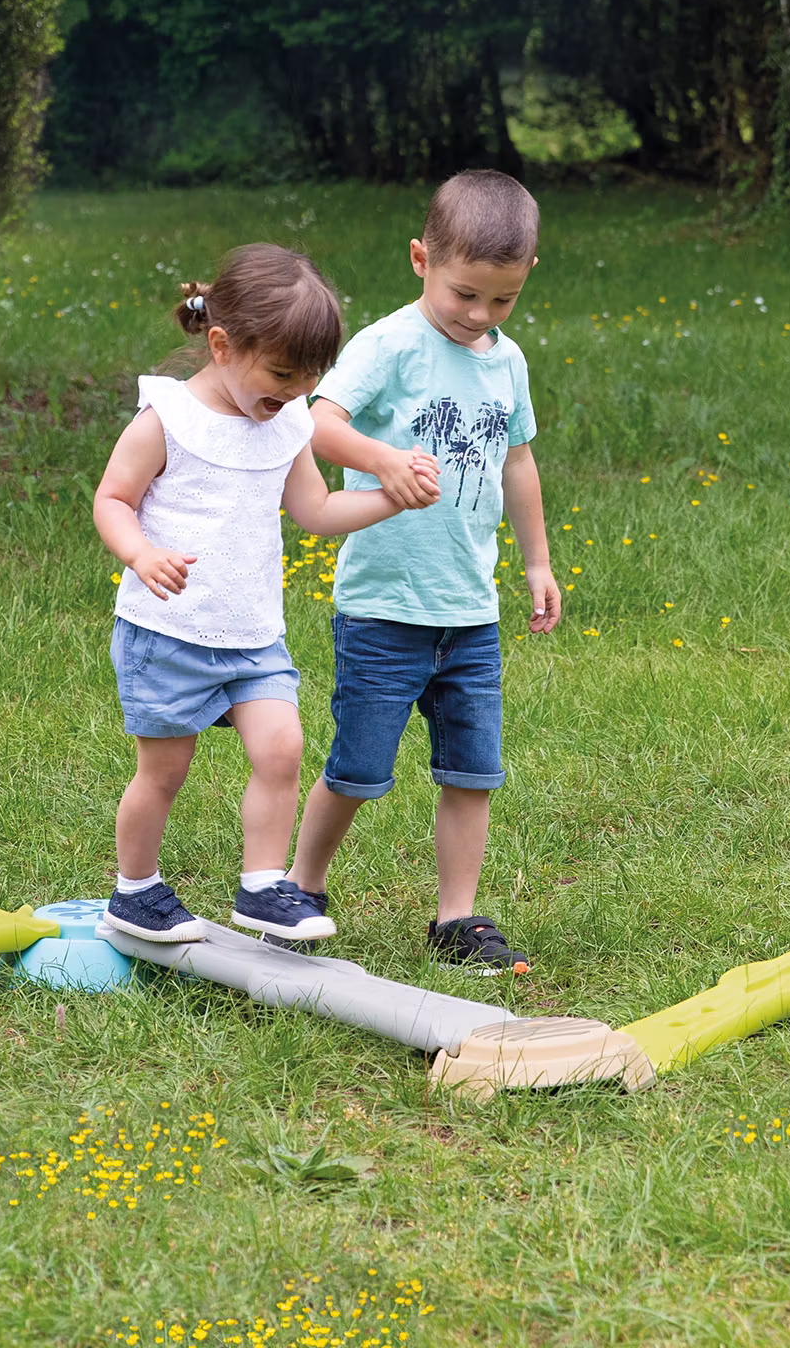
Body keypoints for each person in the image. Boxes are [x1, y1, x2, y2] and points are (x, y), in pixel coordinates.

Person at [91, 243, 438, 950]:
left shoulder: (288, 423)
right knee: (164, 772)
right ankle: (135, 890)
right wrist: (141, 554)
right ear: (222, 346)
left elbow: (316, 511)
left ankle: (263, 886)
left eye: (310, 377)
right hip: (167, 632)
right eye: (282, 374)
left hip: (252, 635)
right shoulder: (166, 419)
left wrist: (390, 499)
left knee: (282, 748)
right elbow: (113, 499)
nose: (296, 390)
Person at [288, 170, 560, 975]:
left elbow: (518, 463)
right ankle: (298, 890)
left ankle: (457, 919)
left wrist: (537, 562)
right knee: (357, 769)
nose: (479, 315)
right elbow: (319, 424)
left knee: (473, 772)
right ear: (421, 260)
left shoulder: (507, 362)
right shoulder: (389, 345)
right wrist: (381, 461)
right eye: (464, 293)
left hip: (469, 612)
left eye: (503, 299)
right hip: (384, 607)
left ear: (527, 276)